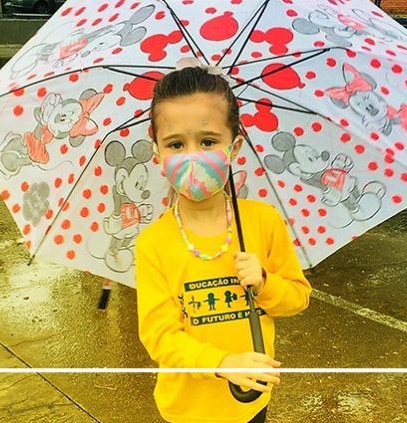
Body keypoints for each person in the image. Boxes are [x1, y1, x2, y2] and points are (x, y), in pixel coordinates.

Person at [135, 60, 312, 423]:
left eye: (208, 141)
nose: (193, 156)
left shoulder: (262, 221)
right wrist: (221, 363)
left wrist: (265, 283)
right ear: (158, 155)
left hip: (250, 404)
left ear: (234, 147)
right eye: (175, 144)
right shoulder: (153, 243)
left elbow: (298, 297)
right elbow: (160, 337)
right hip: (185, 409)